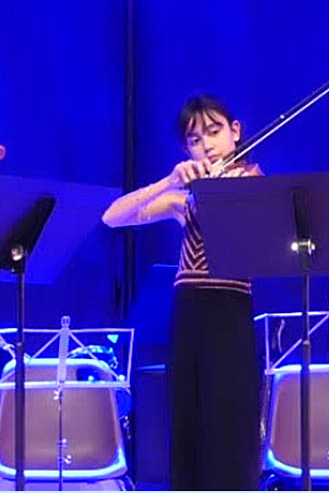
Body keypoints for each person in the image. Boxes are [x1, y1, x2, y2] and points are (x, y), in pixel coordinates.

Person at [103, 94, 264, 490]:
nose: (206, 145)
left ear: (235, 131)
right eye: (195, 140)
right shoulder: (184, 199)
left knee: (229, 421)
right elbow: (113, 217)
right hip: (189, 313)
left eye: (214, 131)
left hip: (230, 311)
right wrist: (169, 182)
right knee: (187, 419)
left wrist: (224, 191)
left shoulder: (252, 182)